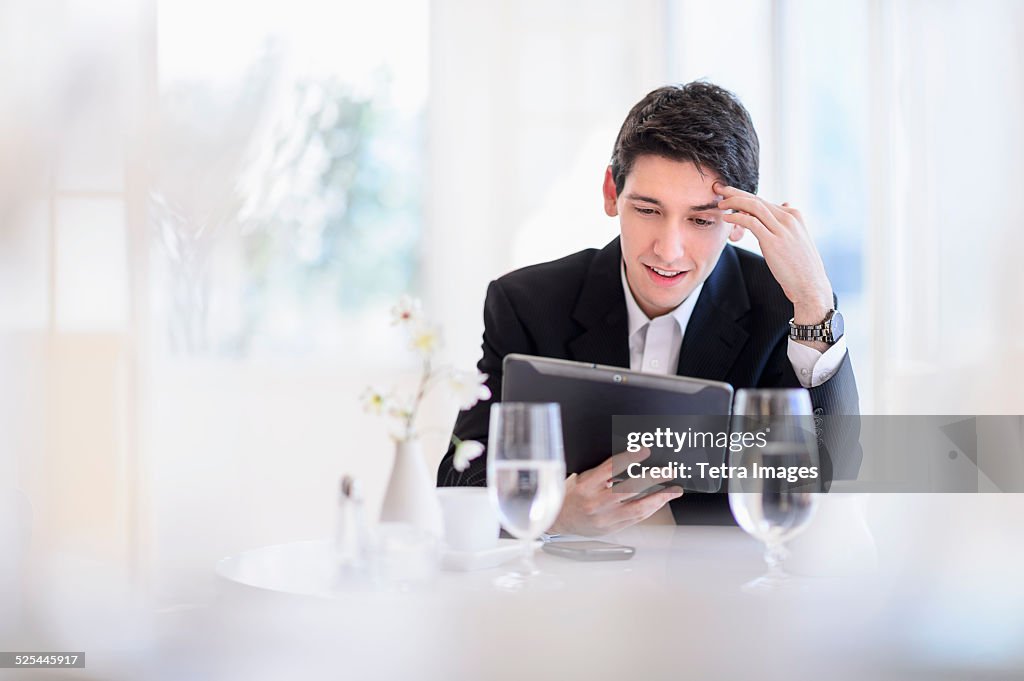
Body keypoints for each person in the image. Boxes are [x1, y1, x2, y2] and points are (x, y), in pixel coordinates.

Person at [437, 81, 860, 534]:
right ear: (610, 193)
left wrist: (815, 304)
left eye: (701, 219)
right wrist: (558, 514)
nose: (669, 249)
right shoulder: (527, 303)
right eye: (647, 210)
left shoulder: (786, 308)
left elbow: (834, 473)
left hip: (722, 589)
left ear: (741, 222)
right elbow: (461, 480)